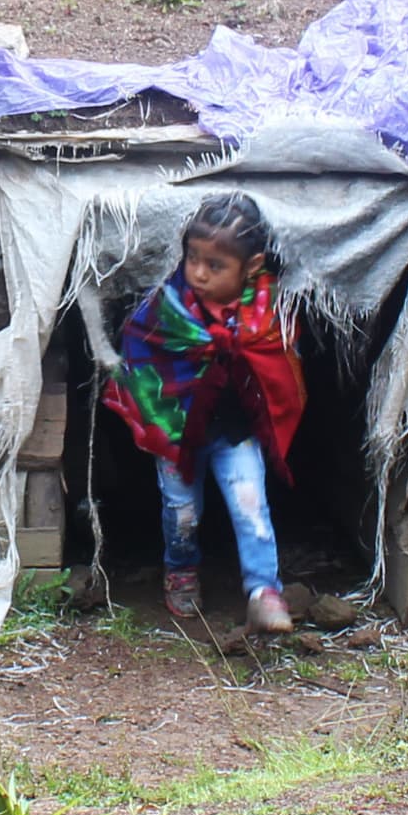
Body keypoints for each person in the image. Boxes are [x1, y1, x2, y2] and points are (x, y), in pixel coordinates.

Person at [103, 192, 308, 636]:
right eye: (193, 257)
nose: (197, 272)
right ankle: (181, 569)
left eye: (215, 265)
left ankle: (264, 591)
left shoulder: (266, 312)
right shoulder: (168, 308)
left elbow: (281, 367)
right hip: (177, 433)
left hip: (236, 433)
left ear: (250, 266)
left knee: (251, 505)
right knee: (182, 511)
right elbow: (143, 361)